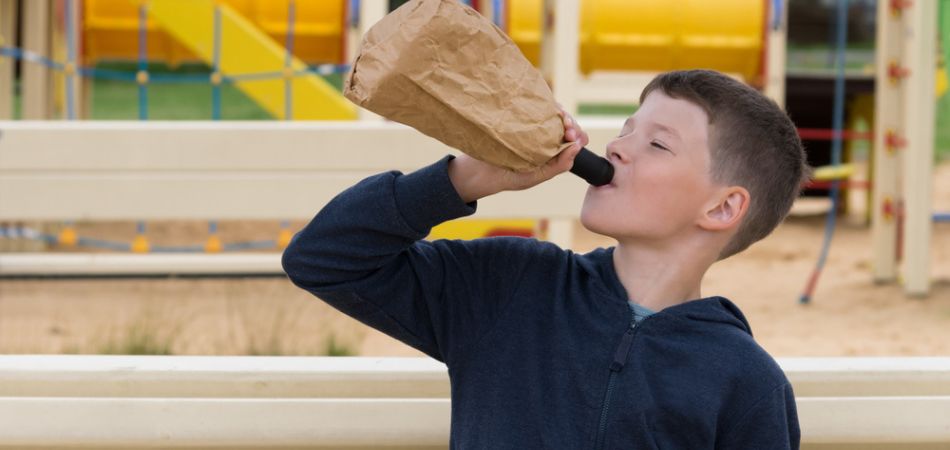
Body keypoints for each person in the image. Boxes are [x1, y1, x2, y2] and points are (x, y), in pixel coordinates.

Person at [282, 69, 806, 449]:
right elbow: (324, 258)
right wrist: (461, 179)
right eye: (626, 129)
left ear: (722, 207)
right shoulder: (509, 286)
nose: (618, 147)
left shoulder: (746, 382)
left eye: (658, 144)